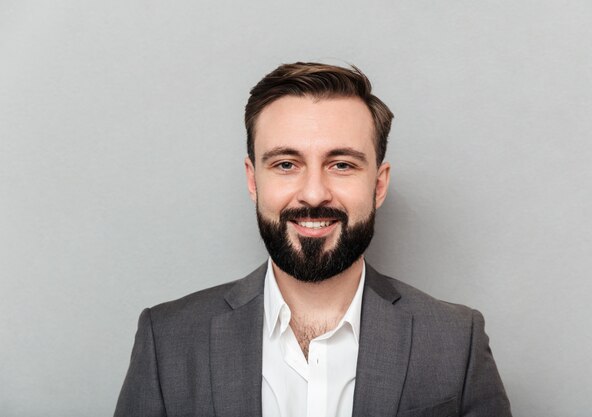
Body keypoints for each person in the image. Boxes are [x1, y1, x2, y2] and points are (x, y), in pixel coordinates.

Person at [114, 62, 512, 417]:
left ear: (379, 184)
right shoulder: (167, 339)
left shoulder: (456, 341)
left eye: (341, 164)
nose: (314, 193)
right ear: (254, 180)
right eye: (286, 164)